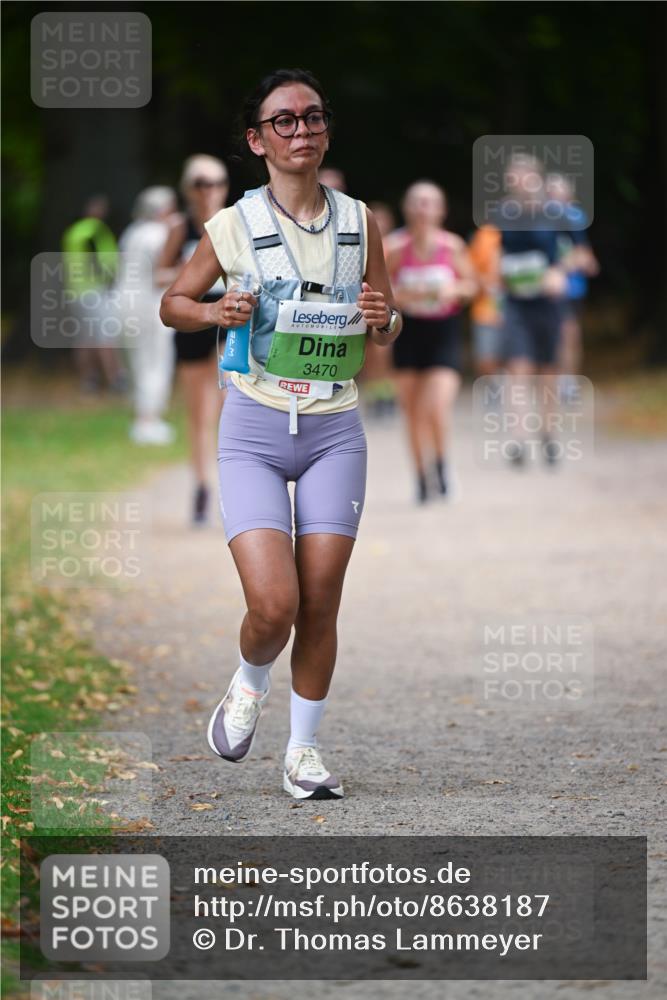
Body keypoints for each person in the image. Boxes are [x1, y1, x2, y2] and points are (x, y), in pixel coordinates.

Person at [160, 68, 401, 799]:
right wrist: (214, 312)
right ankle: (248, 681)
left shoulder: (359, 221)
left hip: (333, 430)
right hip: (255, 429)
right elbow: (173, 303)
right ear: (257, 140)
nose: (302, 130)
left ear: (326, 129)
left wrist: (383, 318)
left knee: (320, 602)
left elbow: (388, 322)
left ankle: (303, 753)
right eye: (284, 121)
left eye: (313, 117)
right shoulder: (232, 225)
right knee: (274, 605)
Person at [385, 181, 477, 501]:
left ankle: (441, 463)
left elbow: (472, 285)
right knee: (412, 411)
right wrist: (403, 295)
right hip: (408, 335)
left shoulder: (452, 247)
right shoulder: (395, 248)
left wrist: (455, 290)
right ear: (406, 209)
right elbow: (379, 290)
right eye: (416, 202)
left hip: (443, 333)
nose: (422, 209)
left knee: (436, 406)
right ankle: (421, 477)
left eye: (429, 203)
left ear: (441, 210)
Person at [158, 155, 229, 523]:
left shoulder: (233, 223)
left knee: (230, 406)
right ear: (189, 189)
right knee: (199, 412)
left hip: (228, 320)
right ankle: (202, 485)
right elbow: (157, 275)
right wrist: (191, 274)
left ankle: (232, 485)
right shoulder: (179, 228)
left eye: (216, 183)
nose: (209, 190)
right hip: (191, 319)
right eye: (202, 183)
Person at [493, 155, 569, 465]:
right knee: (518, 368)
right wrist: (498, 273)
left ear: (535, 179)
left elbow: (579, 253)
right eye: (513, 178)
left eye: (523, 177)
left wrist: (559, 272)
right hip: (515, 302)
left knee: (547, 370)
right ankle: (519, 440)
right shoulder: (503, 214)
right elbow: (497, 251)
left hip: (548, 303)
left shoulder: (555, 214)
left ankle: (548, 434)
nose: (518, 183)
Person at [117, 186, 178, 445]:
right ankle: (148, 421)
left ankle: (142, 418)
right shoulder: (158, 234)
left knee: (138, 363)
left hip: (124, 304)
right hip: (149, 306)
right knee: (155, 362)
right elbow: (157, 276)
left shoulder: (131, 232)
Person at [62, 195, 128, 394]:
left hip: (75, 291)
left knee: (84, 337)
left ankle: (88, 381)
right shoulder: (95, 230)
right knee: (105, 335)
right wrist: (113, 280)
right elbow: (102, 262)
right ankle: (115, 379)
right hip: (95, 290)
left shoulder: (73, 232)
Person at [544, 172, 599, 399]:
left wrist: (582, 261)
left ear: (568, 195)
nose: (555, 198)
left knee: (569, 333)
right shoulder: (536, 219)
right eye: (550, 193)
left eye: (559, 192)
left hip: (572, 288)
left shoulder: (575, 217)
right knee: (552, 334)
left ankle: (568, 380)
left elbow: (584, 253)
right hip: (544, 288)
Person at [468, 223, 503, 377]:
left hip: (519, 307)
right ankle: (495, 383)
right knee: (485, 358)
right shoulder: (486, 235)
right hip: (486, 307)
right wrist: (484, 283)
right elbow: (470, 268)